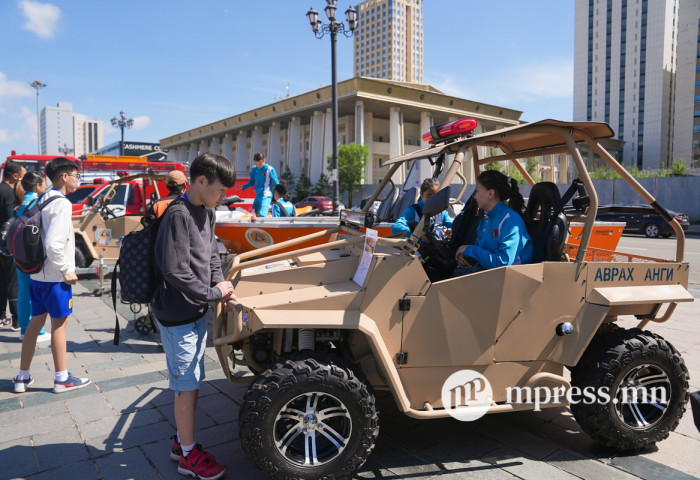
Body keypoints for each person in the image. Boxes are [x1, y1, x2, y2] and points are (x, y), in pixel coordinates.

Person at [150, 152, 237, 480]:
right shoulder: (178, 215)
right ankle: (188, 455)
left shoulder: (207, 211)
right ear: (200, 181)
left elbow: (212, 255)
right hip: (177, 313)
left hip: (195, 307)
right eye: (220, 189)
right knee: (186, 383)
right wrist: (215, 293)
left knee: (191, 380)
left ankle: (180, 443)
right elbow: (175, 272)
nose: (223, 196)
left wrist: (221, 286)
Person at [13, 157, 89, 394]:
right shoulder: (62, 203)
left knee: (35, 325)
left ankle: (22, 378)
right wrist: (67, 269)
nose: (78, 179)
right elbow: (54, 244)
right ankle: (62, 378)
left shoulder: (44, 198)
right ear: (64, 176)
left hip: (36, 274)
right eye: (77, 175)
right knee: (59, 325)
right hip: (55, 277)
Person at [453, 170, 532, 276]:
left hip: (512, 281)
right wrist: (465, 258)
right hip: (492, 278)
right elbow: (482, 255)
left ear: (490, 193)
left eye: (477, 191)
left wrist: (469, 249)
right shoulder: (485, 221)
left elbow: (502, 263)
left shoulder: (511, 221)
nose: (475, 196)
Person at [14, 172, 50, 342]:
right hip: (32, 254)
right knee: (33, 292)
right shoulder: (36, 202)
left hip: (19, 253)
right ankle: (36, 331)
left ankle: (24, 329)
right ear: (37, 186)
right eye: (43, 183)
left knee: (23, 292)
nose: (45, 186)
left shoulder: (22, 203)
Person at [0, 161, 25, 331]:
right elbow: (10, 220)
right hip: (6, 244)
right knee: (13, 281)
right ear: (15, 176)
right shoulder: (9, 192)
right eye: (22, 178)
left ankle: (2, 316)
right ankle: (17, 319)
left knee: (2, 279)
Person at [241, 152, 278, 217]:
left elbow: (276, 183)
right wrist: (243, 187)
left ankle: (265, 225)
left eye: (260, 163)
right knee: (253, 213)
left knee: (262, 214)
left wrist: (280, 196)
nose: (258, 166)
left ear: (264, 160)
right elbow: (251, 182)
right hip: (258, 194)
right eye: (256, 163)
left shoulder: (269, 169)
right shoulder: (254, 169)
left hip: (266, 194)